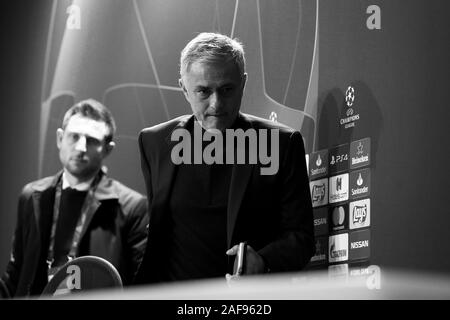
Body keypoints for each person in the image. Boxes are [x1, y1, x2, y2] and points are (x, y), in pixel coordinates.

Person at [134, 32, 314, 284]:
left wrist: (263, 261)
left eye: (227, 89)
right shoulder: (155, 143)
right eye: (203, 92)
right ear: (184, 89)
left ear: (243, 83)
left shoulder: (281, 143)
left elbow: (301, 238)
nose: (216, 103)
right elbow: (159, 235)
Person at [0, 99, 148, 298]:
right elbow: (15, 273)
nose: (80, 147)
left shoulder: (131, 207)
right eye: (74, 136)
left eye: (92, 140)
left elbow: (141, 286)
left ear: (107, 149)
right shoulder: (32, 196)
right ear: (60, 139)